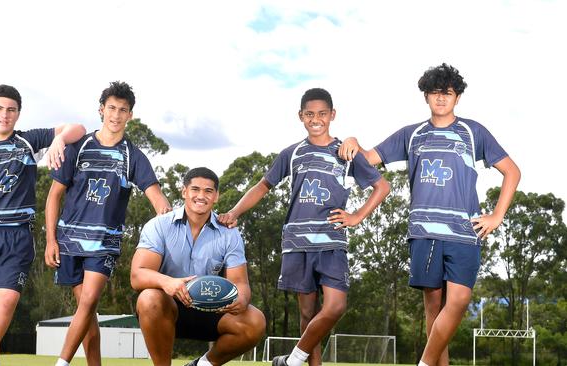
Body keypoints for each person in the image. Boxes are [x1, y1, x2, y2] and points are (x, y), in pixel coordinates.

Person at [337, 63, 521, 366]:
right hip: (423, 233)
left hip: (464, 233)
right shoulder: (412, 134)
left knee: (459, 301)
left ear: (457, 97)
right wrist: (353, 140)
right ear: (426, 96)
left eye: (447, 93)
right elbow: (368, 159)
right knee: (433, 312)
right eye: (435, 92)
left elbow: (512, 171)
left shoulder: (473, 132)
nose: (441, 98)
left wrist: (497, 215)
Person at [218, 88, 390, 366]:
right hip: (297, 243)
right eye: (309, 114)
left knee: (335, 307)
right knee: (308, 315)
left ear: (332, 115)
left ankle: (293, 360)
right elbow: (263, 185)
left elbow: (382, 186)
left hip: (332, 243)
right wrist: (235, 211)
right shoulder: (293, 153)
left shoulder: (346, 151)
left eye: (322, 113)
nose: (316, 119)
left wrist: (357, 216)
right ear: (301, 116)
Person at [0, 84, 86, 366]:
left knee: (7, 301)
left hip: (16, 235)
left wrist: (59, 140)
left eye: (11, 110)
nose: (4, 114)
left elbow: (78, 128)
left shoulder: (28, 141)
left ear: (18, 114)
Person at [45, 81, 172, 366]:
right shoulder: (79, 146)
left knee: (89, 301)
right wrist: (51, 240)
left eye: (123, 110)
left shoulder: (134, 156)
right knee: (85, 311)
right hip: (69, 241)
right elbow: (54, 196)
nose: (116, 115)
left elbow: (157, 199)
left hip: (104, 243)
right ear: (101, 110)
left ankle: (61, 362)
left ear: (130, 115)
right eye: (111, 108)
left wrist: (172, 219)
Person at [131, 167, 266, 366]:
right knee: (149, 298)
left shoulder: (229, 233)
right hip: (167, 307)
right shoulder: (159, 225)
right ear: (184, 192)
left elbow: (240, 284)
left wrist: (242, 299)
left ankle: (202, 365)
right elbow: (137, 276)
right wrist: (169, 283)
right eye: (195, 189)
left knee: (255, 321)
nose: (201, 196)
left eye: (208, 191)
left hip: (211, 309)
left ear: (216, 196)